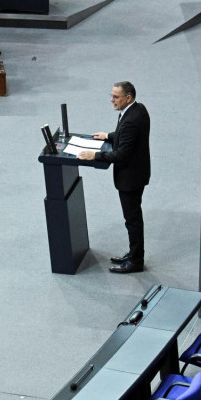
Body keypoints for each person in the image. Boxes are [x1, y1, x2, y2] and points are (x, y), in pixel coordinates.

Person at [77, 81, 151, 274]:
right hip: (138, 173)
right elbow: (127, 136)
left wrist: (96, 155)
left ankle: (136, 261)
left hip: (130, 178)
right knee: (133, 218)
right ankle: (134, 254)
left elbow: (121, 155)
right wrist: (110, 135)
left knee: (132, 220)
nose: (112, 100)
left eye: (116, 97)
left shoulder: (131, 120)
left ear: (128, 98)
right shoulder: (138, 110)